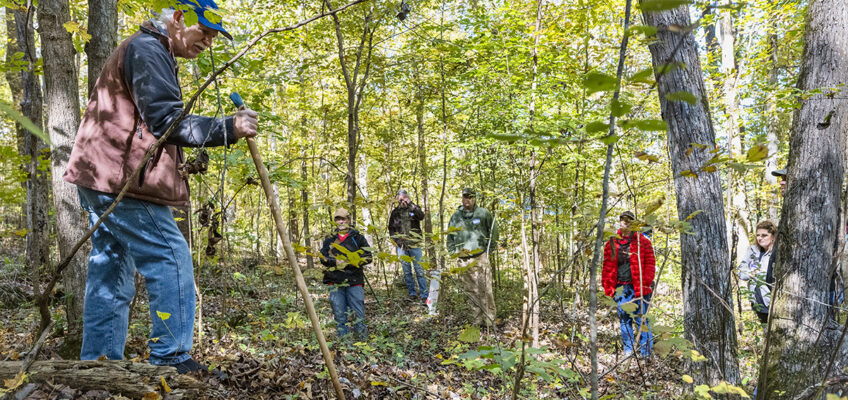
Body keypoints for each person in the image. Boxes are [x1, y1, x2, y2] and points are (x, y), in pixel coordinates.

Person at [63, 0, 258, 374]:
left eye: (215, 37)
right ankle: (171, 358)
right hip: (118, 181)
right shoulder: (149, 49)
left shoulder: (150, 49)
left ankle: (100, 368)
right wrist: (229, 128)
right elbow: (168, 121)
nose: (209, 43)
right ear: (180, 18)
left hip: (101, 176)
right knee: (170, 255)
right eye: (205, 33)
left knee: (112, 270)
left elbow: (152, 122)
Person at [601, 211, 656, 357]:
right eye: (623, 221)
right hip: (620, 288)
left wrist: (646, 283)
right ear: (619, 222)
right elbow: (606, 266)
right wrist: (608, 288)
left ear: (633, 223)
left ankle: (645, 353)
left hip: (639, 288)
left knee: (641, 320)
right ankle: (628, 351)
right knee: (625, 320)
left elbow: (650, 263)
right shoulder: (612, 242)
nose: (625, 224)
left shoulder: (642, 241)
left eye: (629, 221)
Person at [446, 188, 499, 327]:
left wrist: (489, 249)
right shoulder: (456, 216)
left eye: (470, 197)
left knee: (485, 288)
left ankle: (489, 320)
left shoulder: (483, 213)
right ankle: (476, 320)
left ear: (474, 198)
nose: (467, 200)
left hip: (481, 256)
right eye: (465, 197)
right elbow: (449, 236)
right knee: (470, 290)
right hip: (463, 259)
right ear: (462, 198)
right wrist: (454, 252)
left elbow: (493, 230)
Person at [320, 208, 372, 338]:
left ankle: (362, 343)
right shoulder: (330, 239)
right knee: (339, 314)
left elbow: (368, 257)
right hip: (335, 281)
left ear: (349, 220)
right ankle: (343, 344)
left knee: (358, 314)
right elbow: (322, 257)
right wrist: (335, 262)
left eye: (343, 219)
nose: (341, 222)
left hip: (354, 281)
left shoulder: (357, 238)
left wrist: (350, 262)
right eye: (338, 219)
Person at [388, 189, 428, 303]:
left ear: (407, 198)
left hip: (415, 244)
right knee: (406, 271)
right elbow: (391, 228)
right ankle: (412, 294)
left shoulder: (414, 209)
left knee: (419, 270)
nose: (402, 201)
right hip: (401, 247)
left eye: (404, 198)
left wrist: (410, 204)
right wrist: (396, 241)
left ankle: (424, 295)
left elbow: (421, 216)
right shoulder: (395, 212)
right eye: (400, 199)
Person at [738, 220, 777, 324]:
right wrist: (749, 273)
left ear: (773, 236)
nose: (760, 238)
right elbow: (741, 271)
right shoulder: (753, 250)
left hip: (772, 300)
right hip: (756, 300)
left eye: (764, 235)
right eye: (758, 235)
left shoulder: (777, 253)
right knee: (765, 330)